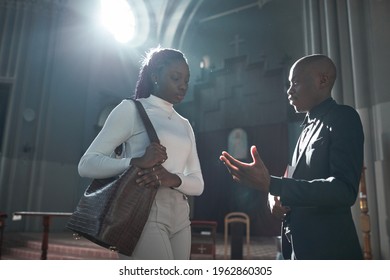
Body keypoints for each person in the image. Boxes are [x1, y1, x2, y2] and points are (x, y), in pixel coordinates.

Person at [220, 54, 364, 260]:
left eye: (295, 82)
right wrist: (274, 197)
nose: (289, 91)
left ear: (322, 80)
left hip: (328, 250)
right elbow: (291, 180)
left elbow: (344, 190)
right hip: (297, 248)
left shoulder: (342, 117)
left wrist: (273, 184)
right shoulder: (305, 128)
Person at [78, 47, 204, 259]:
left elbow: (198, 184)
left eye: (186, 80)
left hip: (182, 218)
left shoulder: (185, 125)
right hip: (144, 213)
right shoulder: (131, 110)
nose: (183, 85)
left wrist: (170, 178)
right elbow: (86, 164)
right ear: (155, 76)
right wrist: (136, 162)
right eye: (175, 78)